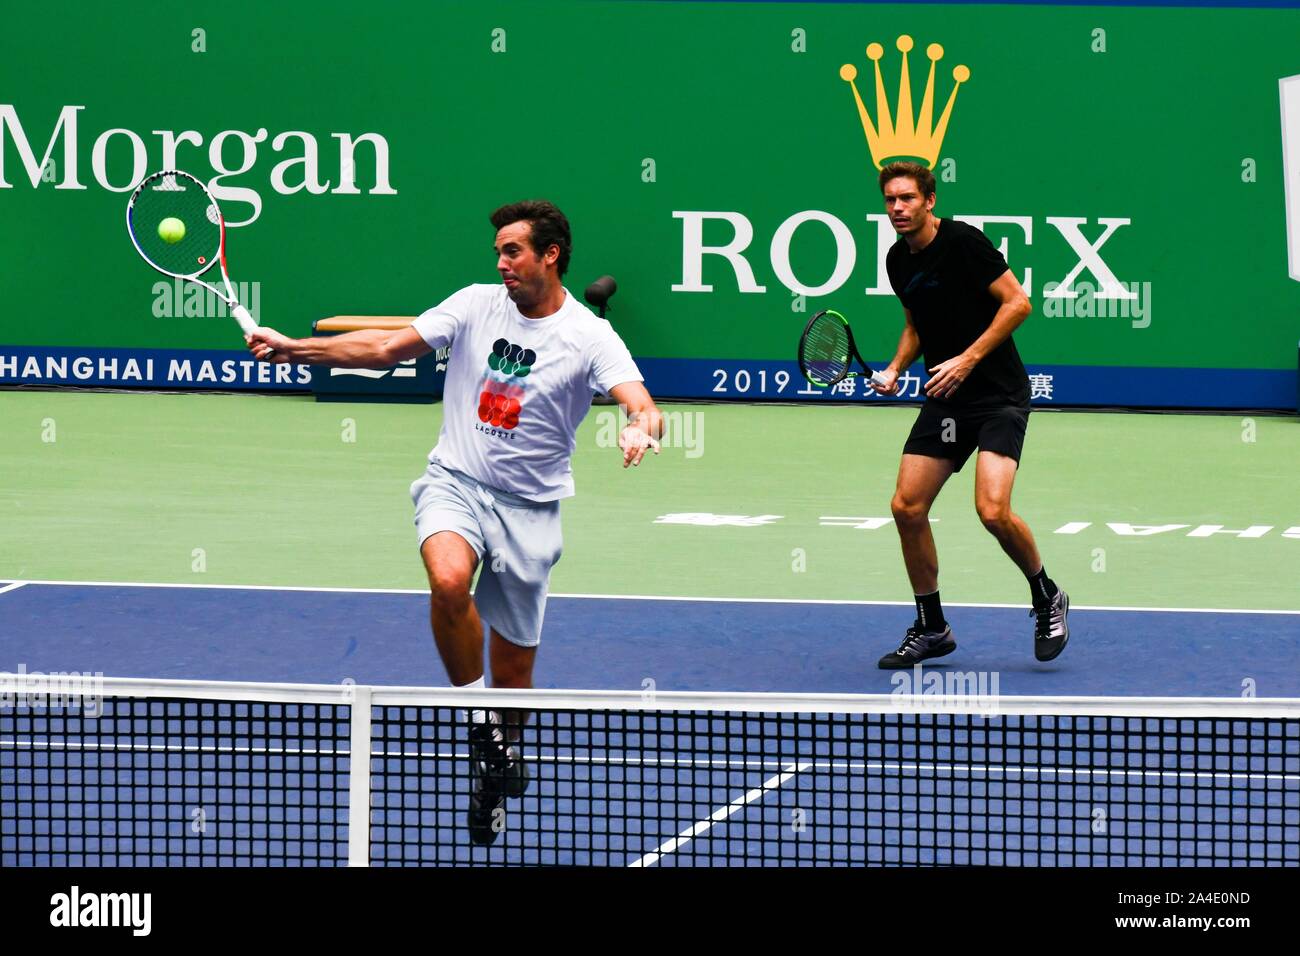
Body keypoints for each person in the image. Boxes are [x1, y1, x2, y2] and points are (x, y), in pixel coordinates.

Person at [245, 199, 662, 843]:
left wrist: (638, 426)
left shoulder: (589, 336)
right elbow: (385, 346)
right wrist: (299, 348)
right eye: (498, 251)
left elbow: (639, 400)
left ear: (550, 256)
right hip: (456, 483)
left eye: (513, 251)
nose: (501, 263)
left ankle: (497, 763)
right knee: (446, 582)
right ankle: (478, 725)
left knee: (516, 678)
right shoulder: (473, 303)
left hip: (531, 507)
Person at [868, 162, 1069, 669]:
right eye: (891, 200)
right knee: (906, 507)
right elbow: (916, 324)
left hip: (998, 395)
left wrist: (967, 358)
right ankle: (932, 626)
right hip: (947, 399)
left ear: (929, 201)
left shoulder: (964, 242)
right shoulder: (897, 261)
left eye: (908, 198)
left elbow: (1018, 303)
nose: (898, 208)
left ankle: (1046, 594)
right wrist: (895, 366)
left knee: (992, 511)